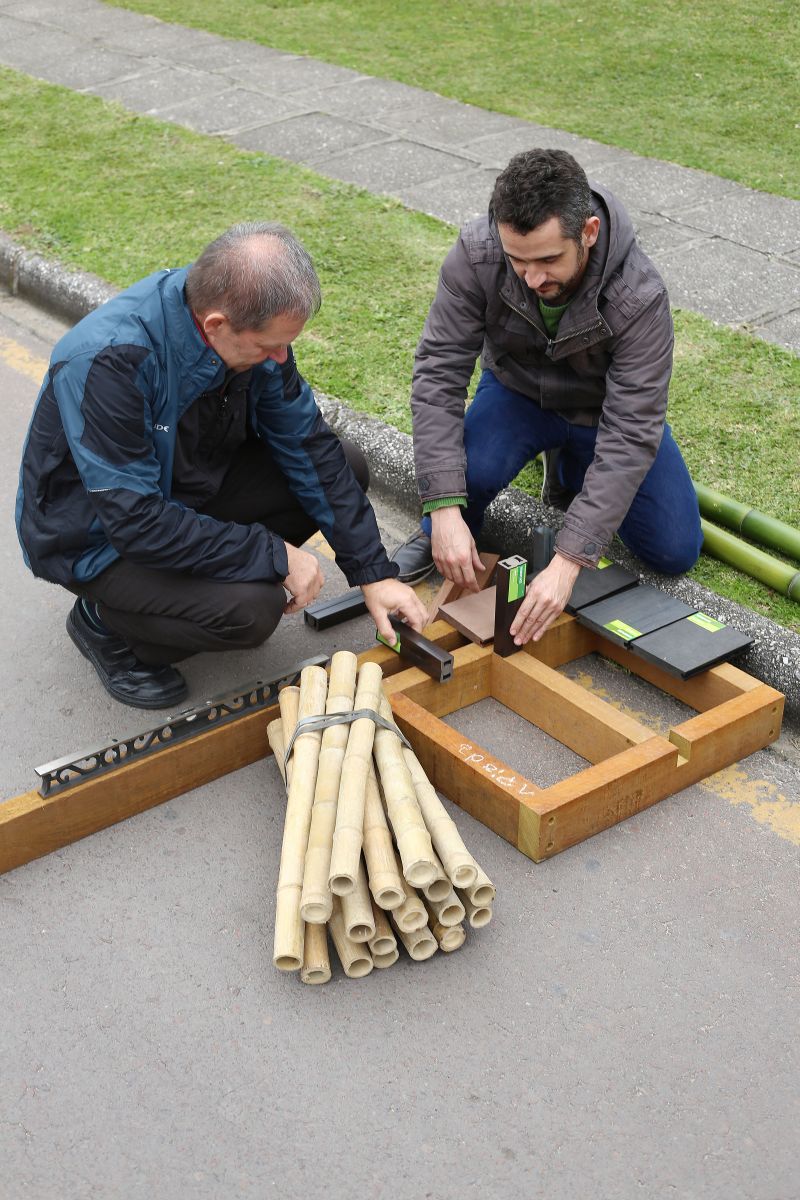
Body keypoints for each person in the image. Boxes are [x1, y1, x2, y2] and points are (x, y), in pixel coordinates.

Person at [17, 221, 426, 709]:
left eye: (285, 344)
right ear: (216, 325)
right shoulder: (109, 362)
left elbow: (307, 445)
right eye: (267, 346)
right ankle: (103, 623)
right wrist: (275, 555)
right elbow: (136, 522)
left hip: (182, 487)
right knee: (251, 611)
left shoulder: (245, 331)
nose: (280, 357)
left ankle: (194, 588)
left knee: (346, 464)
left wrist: (374, 572)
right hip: (97, 537)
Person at [390, 149, 702, 646]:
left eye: (548, 259)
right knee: (463, 481)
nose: (532, 278)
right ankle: (441, 530)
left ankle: (570, 467)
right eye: (518, 260)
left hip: (604, 415)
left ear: (589, 233)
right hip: (518, 394)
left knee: (674, 548)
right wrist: (443, 510)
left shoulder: (639, 295)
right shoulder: (477, 253)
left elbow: (630, 432)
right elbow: (438, 373)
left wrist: (569, 560)